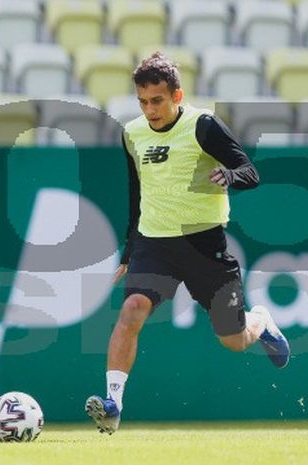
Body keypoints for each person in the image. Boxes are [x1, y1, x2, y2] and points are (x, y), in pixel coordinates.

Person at [85, 52, 290, 435]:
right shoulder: (132, 134)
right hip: (154, 244)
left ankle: (260, 322)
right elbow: (137, 195)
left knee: (233, 340)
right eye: (143, 101)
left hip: (204, 245)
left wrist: (229, 176)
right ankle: (113, 404)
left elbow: (251, 172)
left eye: (157, 100)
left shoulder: (203, 125)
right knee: (131, 309)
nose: (150, 109)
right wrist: (130, 249)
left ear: (176, 96)